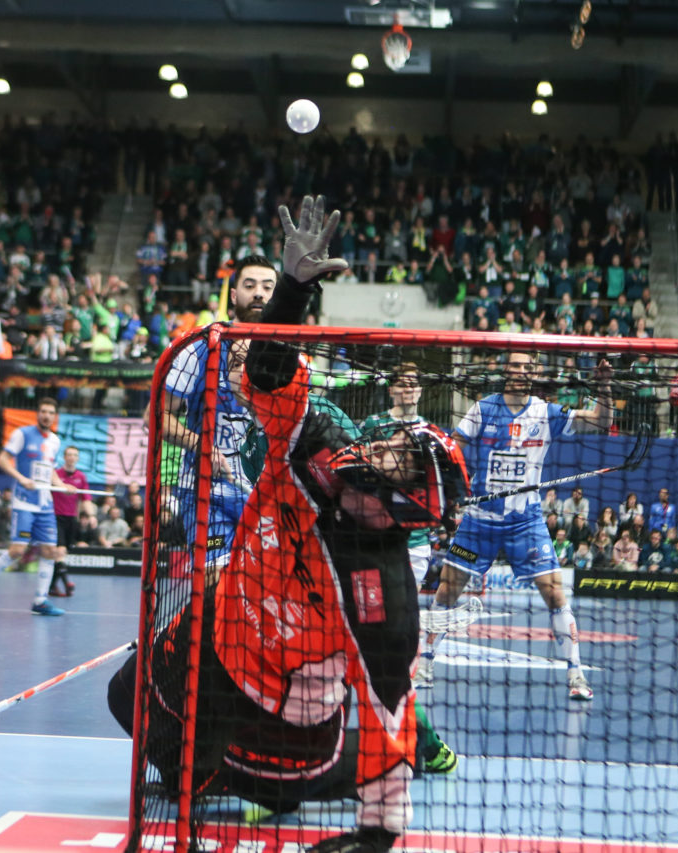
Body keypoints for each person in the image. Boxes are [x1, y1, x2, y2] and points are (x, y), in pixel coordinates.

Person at [108, 198, 469, 853]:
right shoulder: (321, 441)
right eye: (393, 441)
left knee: (298, 780)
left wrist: (374, 839)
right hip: (218, 630)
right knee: (126, 699)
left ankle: (274, 780)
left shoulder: (384, 592)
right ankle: (195, 764)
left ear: (407, 504)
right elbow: (270, 375)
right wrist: (294, 286)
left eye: (400, 460)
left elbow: (388, 712)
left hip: (287, 715)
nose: (381, 447)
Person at [424, 349, 612, 701]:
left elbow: (601, 420)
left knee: (555, 592)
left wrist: (604, 386)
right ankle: (425, 662)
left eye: (527, 367)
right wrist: (451, 491)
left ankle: (576, 674)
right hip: (479, 523)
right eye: (515, 365)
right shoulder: (483, 409)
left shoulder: (546, 412)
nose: (521, 372)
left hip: (525, 522)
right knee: (448, 589)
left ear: (535, 372)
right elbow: (452, 450)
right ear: (505, 369)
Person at [161, 253, 278, 574]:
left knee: (264, 584)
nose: (259, 293)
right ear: (234, 294)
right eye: (250, 285)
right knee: (217, 584)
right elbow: (157, 417)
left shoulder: (288, 349)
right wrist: (203, 445)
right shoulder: (201, 345)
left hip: (264, 494)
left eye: (268, 287)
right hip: (205, 490)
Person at [0, 398, 71, 616]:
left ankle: (40, 600)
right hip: (24, 501)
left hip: (45, 503)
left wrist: (62, 485)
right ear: (38, 413)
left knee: (50, 551)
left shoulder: (55, 441)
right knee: (17, 550)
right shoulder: (23, 434)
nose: (46, 415)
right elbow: (2, 459)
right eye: (43, 411)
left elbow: (50, 471)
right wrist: (21, 478)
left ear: (54, 417)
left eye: (50, 412)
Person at [358, 363, 435, 595]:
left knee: (407, 601)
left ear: (420, 390)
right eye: (402, 385)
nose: (409, 390)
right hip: (378, 531)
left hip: (416, 537)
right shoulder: (374, 424)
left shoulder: (428, 431)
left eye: (414, 385)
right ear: (391, 390)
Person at [50, 446, 87, 597]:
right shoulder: (56, 475)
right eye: (69, 455)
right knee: (60, 551)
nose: (72, 457)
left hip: (72, 519)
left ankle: (52, 586)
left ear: (77, 458)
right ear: (65, 457)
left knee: (62, 555)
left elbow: (86, 499)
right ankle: (67, 583)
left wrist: (91, 516)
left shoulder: (81, 477)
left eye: (75, 455)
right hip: (55, 516)